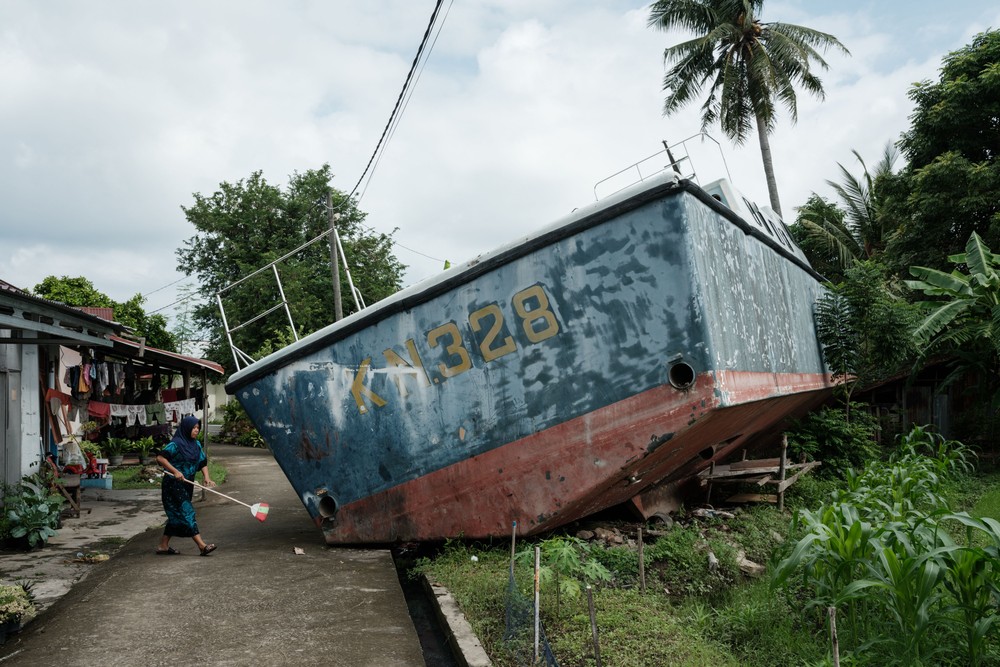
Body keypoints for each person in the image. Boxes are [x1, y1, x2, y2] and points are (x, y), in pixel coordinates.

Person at [155, 415, 217, 556]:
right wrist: (175, 471)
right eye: (194, 428)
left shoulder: (196, 445)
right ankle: (202, 546)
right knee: (187, 512)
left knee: (177, 514)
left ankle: (163, 546)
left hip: (187, 484)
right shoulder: (175, 444)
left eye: (198, 428)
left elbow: (202, 462)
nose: (196, 430)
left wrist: (207, 477)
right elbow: (160, 458)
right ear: (186, 428)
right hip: (173, 485)